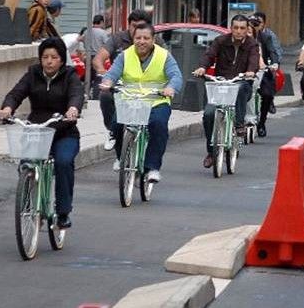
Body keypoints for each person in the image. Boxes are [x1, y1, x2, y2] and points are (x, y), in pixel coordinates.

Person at [0, 38, 83, 228]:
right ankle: (29, 202)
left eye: (54, 57)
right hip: (37, 131)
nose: (49, 61)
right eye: (45, 57)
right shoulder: (32, 74)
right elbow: (16, 93)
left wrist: (73, 109)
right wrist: (7, 108)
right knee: (25, 164)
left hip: (64, 131)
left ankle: (63, 212)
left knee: (63, 162)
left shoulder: (70, 75)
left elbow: (76, 94)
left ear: (62, 60)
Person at [100, 23, 183, 183]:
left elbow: (176, 76)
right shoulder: (125, 55)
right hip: (130, 100)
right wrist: (108, 82)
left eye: (146, 38)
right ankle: (120, 157)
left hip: (156, 101)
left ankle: (152, 168)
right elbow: (112, 73)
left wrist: (171, 88)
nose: (142, 41)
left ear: (153, 40)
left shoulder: (164, 56)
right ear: (133, 39)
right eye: (138, 38)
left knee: (158, 125)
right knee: (116, 124)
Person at [192, 14, 259, 169]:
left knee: (242, 87)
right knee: (209, 114)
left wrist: (250, 71)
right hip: (220, 84)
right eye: (235, 28)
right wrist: (202, 67)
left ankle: (239, 124)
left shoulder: (252, 44)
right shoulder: (220, 41)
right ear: (231, 28)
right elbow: (209, 55)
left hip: (240, 81)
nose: (239, 31)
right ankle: (211, 152)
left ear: (247, 29)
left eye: (242, 28)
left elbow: (254, 60)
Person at [93, 10, 152, 154]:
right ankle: (112, 130)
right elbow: (98, 59)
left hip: (145, 88)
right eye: (133, 26)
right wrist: (104, 74)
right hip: (119, 86)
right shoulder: (118, 38)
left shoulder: (154, 40)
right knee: (105, 96)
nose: (136, 30)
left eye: (141, 26)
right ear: (128, 25)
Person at [253, 12, 283, 137]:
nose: (254, 27)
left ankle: (262, 122)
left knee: (267, 93)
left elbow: (273, 52)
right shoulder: (243, 37)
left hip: (263, 69)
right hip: (245, 71)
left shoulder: (267, 37)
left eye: (257, 24)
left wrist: (275, 63)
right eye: (252, 24)